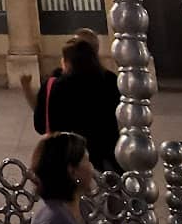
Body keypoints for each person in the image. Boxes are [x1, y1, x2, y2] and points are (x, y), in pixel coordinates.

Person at [33, 37, 119, 173]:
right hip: (107, 156)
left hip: (69, 159)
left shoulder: (55, 86)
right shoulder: (110, 80)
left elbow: (41, 126)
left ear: (67, 62)